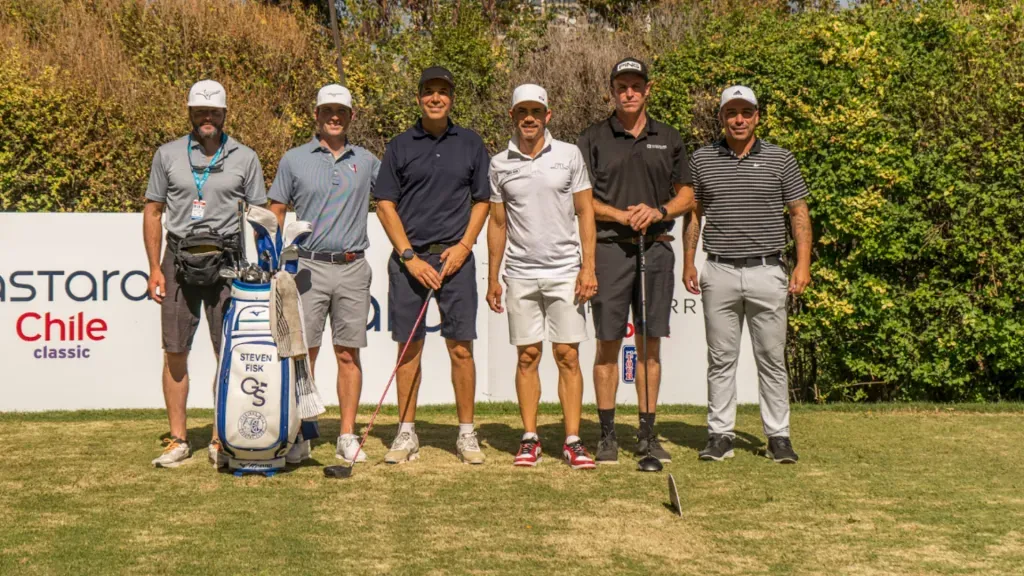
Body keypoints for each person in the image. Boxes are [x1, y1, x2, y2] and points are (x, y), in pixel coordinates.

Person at [683, 85, 812, 464]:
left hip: (766, 269)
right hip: (719, 268)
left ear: (757, 116)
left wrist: (802, 264)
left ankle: (779, 437)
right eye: (731, 112)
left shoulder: (781, 159)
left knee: (771, 359)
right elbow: (695, 214)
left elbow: (799, 213)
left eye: (746, 112)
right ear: (721, 117)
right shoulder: (702, 160)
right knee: (721, 359)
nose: (738, 119)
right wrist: (689, 260)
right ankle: (720, 434)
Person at [577, 58, 695, 465]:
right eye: (621, 85)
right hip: (610, 248)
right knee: (607, 345)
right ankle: (607, 434)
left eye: (636, 85)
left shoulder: (670, 136)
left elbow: (687, 195)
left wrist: (658, 211)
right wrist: (622, 214)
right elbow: (583, 199)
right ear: (612, 90)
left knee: (649, 348)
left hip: (657, 247)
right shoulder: (593, 137)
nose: (629, 92)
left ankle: (647, 433)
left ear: (648, 89)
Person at [143, 79, 267, 468]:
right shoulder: (167, 155)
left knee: (228, 352)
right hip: (177, 260)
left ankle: (219, 438)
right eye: (200, 112)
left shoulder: (245, 157)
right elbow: (153, 211)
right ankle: (178, 440)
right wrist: (153, 269)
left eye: (214, 112)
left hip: (228, 262)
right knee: (175, 351)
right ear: (190, 113)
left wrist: (264, 268)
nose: (207, 118)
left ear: (225, 114)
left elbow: (261, 216)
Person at [374, 66, 491, 465]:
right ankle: (406, 433)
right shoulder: (400, 145)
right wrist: (408, 257)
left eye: (443, 92)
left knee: (461, 348)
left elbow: (482, 201)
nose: (436, 98)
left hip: (455, 259)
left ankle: (466, 434)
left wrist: (464, 246)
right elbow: (384, 203)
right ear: (419, 97)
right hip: (411, 261)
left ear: (452, 98)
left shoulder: (471, 143)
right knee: (409, 351)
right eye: (429, 92)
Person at [486, 84, 599, 470]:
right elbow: (497, 222)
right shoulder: (500, 163)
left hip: (566, 271)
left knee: (567, 355)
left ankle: (572, 440)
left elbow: (586, 211)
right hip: (519, 273)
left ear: (548, 115)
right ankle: (530, 438)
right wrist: (493, 277)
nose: (529, 118)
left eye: (536, 111)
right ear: (513, 116)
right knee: (528, 356)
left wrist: (588, 266)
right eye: (522, 112)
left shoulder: (568, 154)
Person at [268, 84, 380, 464]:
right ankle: (302, 431)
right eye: (327, 110)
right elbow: (276, 209)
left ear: (351, 117)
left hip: (352, 265)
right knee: (305, 354)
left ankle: (347, 434)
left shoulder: (366, 160)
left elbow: (395, 201)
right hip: (307, 266)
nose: (335, 116)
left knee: (348, 354)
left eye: (342, 111)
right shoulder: (294, 159)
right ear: (316, 115)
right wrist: (272, 260)